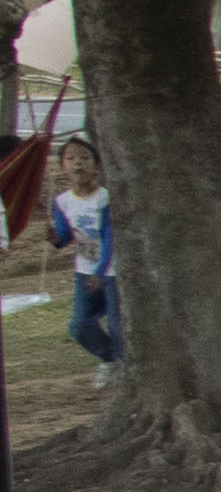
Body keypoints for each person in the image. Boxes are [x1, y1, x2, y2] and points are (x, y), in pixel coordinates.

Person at [52, 136, 114, 390]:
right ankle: (110, 358)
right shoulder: (62, 202)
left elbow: (111, 236)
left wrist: (101, 271)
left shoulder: (105, 198)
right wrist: (53, 238)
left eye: (85, 158)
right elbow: (65, 236)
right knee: (80, 325)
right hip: (84, 269)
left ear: (96, 165)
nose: (78, 163)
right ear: (62, 167)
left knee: (120, 327)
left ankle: (122, 363)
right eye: (71, 158)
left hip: (111, 271)